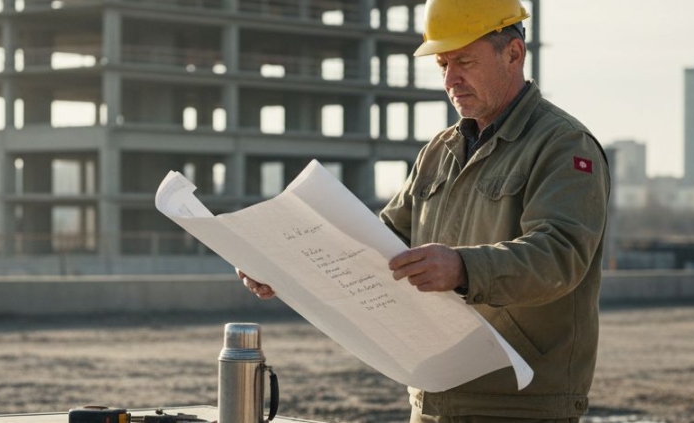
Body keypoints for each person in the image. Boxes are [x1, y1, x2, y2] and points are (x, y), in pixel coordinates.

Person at [240, 0, 609, 421]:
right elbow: (377, 246)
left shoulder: (563, 145)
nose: (450, 80)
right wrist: (284, 268)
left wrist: (463, 268)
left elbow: (560, 257)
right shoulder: (439, 151)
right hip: (432, 399)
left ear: (513, 53)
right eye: (443, 65)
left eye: (464, 61)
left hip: (518, 405)